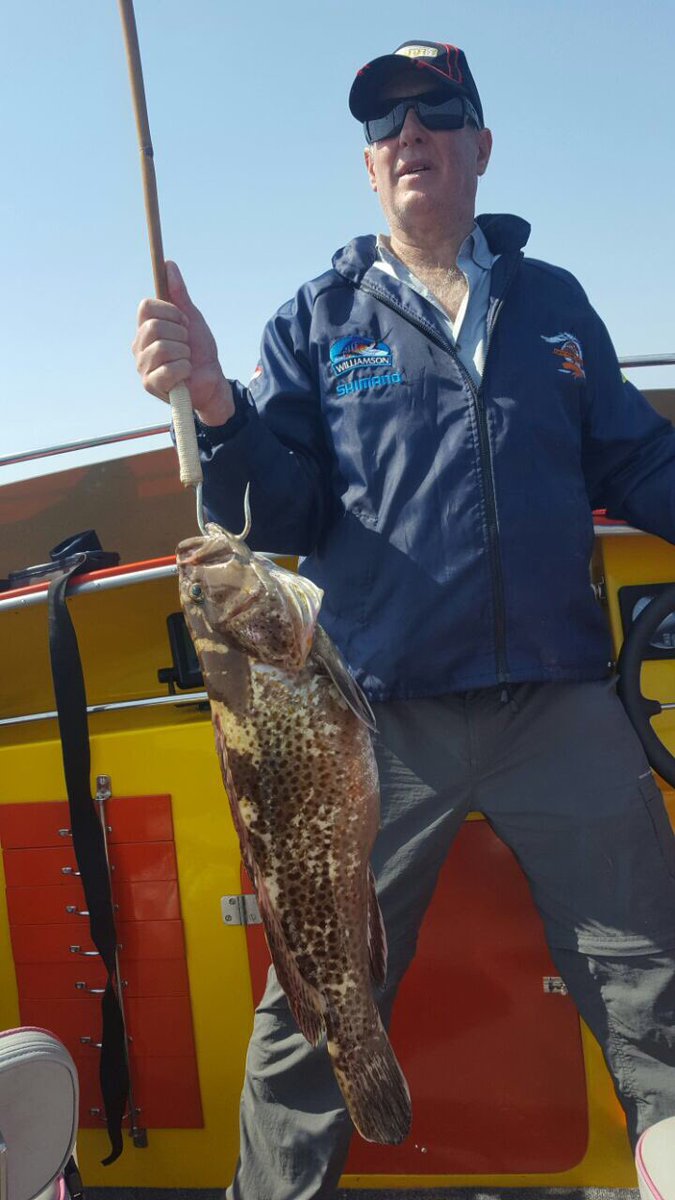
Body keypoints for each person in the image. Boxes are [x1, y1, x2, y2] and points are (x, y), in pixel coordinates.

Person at [133, 39, 675, 1200]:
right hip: (374, 723)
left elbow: (638, 460)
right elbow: (270, 512)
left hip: (560, 705)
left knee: (656, 990)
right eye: (387, 124)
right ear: (370, 167)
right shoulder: (317, 317)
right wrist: (219, 407)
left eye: (437, 111)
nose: (411, 132)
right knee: (315, 1003)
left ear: (482, 146)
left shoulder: (554, 303)